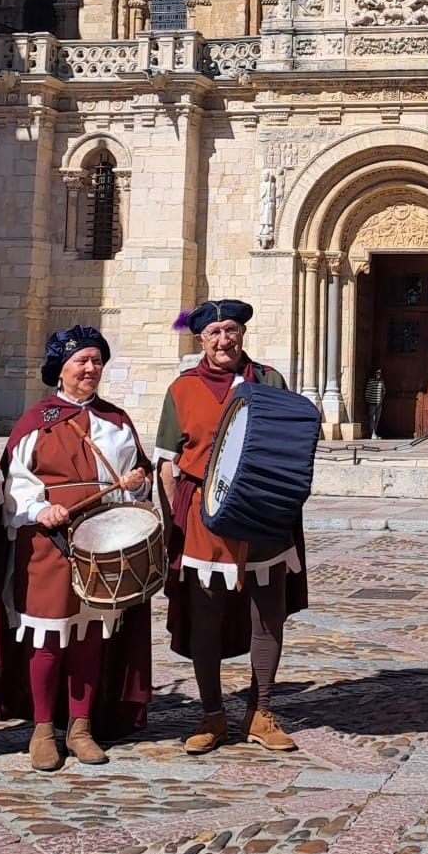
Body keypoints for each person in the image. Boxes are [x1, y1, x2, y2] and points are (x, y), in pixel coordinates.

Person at [0, 327, 156, 770]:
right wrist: (39, 508)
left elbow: (136, 474)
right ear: (61, 368)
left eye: (96, 361)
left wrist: (137, 481)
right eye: (81, 361)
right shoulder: (36, 422)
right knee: (48, 636)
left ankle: (82, 726)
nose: (90, 370)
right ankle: (43, 728)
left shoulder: (117, 421)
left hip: (103, 544)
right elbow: (14, 487)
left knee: (91, 635)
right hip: (48, 546)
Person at [156, 299, 308, 755]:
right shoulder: (182, 389)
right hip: (206, 518)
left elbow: (291, 441)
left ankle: (261, 712)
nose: (225, 340)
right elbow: (167, 465)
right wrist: (172, 529)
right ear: (201, 339)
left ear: (242, 333)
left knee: (269, 614)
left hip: (264, 514)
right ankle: (212, 715)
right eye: (214, 333)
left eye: (232, 330)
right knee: (206, 618)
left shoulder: (269, 380)